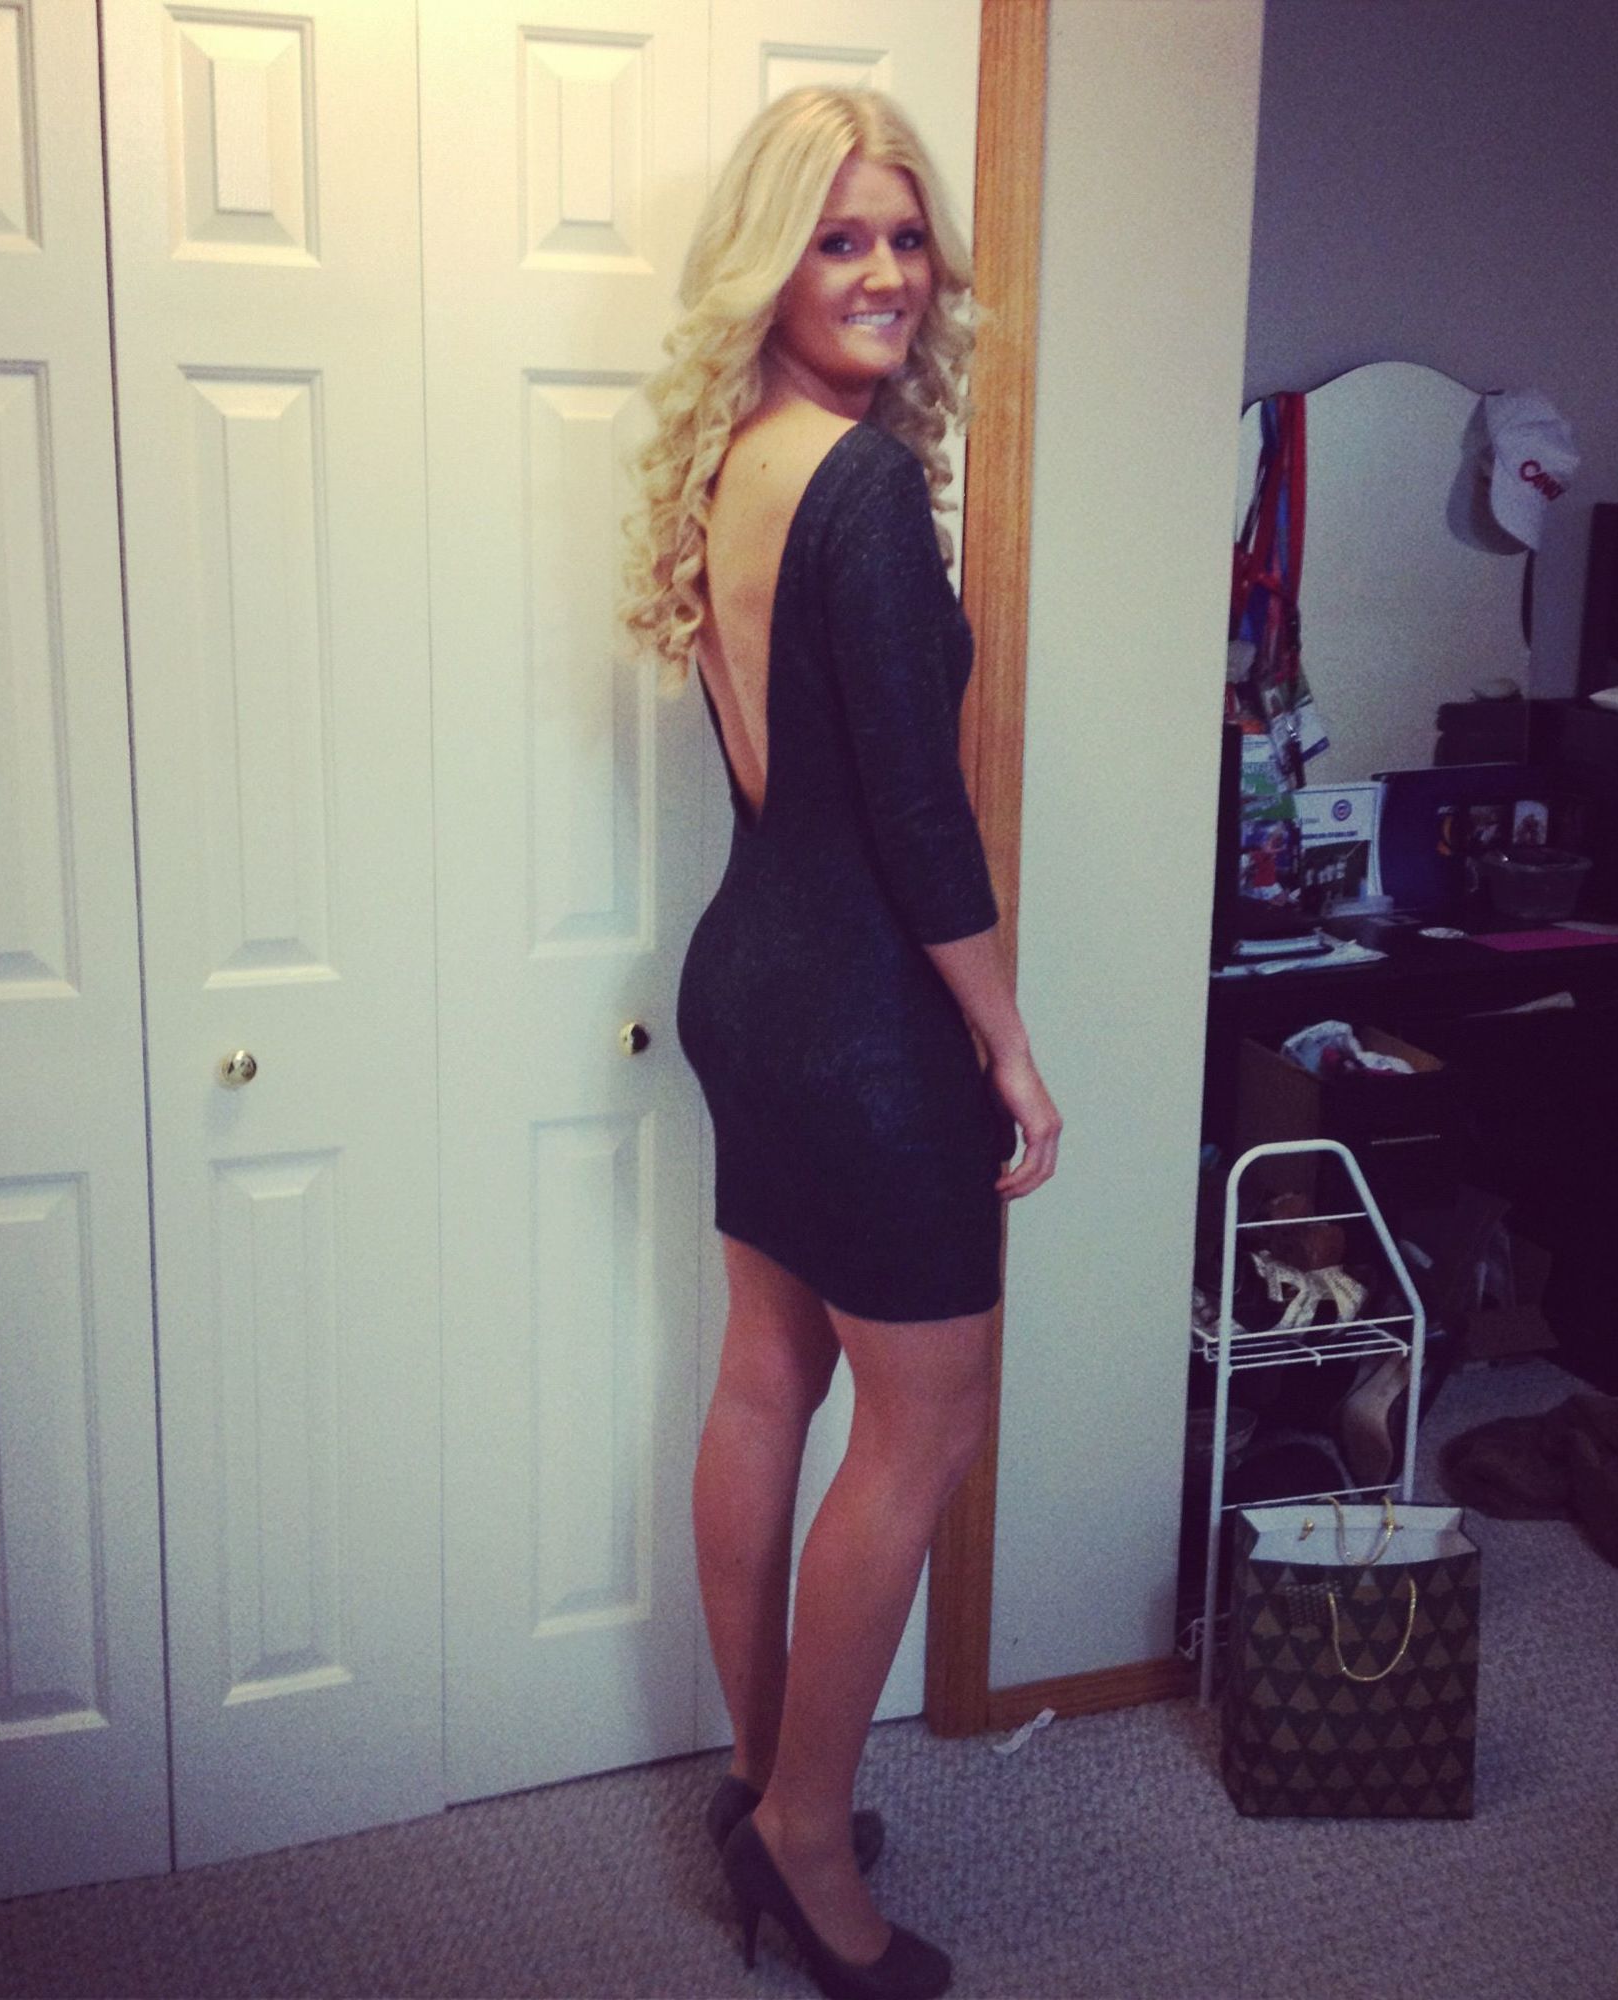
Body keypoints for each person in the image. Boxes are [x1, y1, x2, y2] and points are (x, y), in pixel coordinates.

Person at [621, 87, 1060, 2000]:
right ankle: (806, 1834)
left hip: (753, 981)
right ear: (769, 263)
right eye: (837, 238)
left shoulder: (742, 457)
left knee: (769, 1376)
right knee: (927, 1420)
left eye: (903, 236)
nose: (886, 272)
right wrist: (1007, 1047)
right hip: (862, 1014)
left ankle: (757, 1783)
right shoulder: (864, 488)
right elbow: (918, 820)